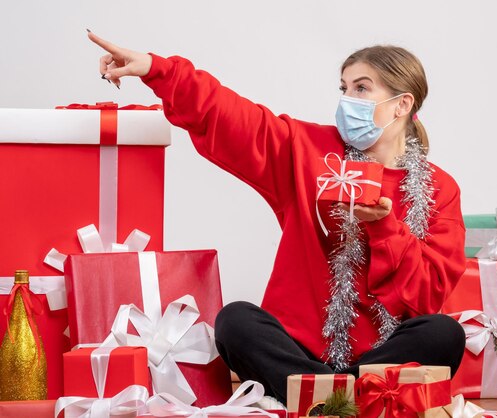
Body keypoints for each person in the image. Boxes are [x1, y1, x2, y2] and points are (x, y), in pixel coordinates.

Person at [88, 31, 467, 405]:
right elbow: (235, 117)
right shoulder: (309, 151)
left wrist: (384, 227)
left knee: (443, 333)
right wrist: (159, 70)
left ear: (402, 105)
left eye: (362, 89)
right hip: (299, 349)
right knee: (235, 321)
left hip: (383, 353)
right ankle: (351, 398)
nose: (348, 100)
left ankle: (327, 397)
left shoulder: (439, 188)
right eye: (345, 88)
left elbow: (427, 294)